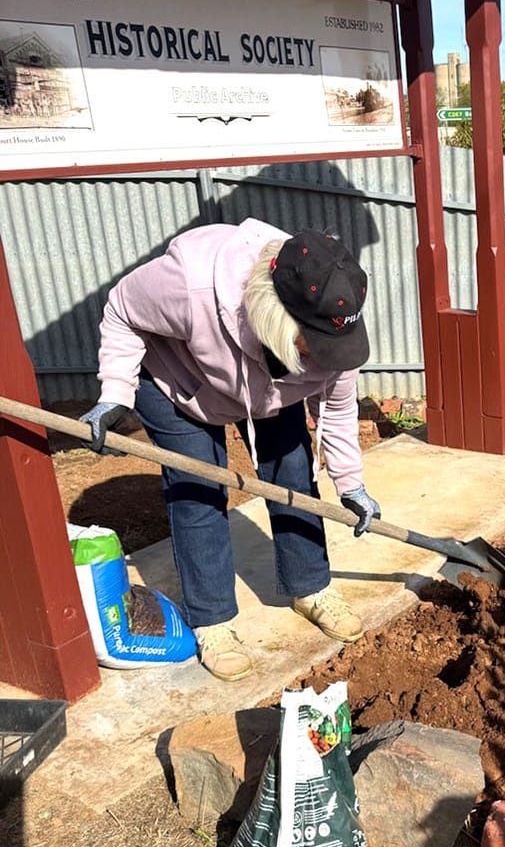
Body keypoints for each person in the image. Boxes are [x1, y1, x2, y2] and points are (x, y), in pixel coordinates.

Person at [80, 219, 381, 682]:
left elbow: (336, 412)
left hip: (271, 384)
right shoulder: (192, 287)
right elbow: (121, 308)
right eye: (314, 344)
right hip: (177, 381)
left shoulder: (332, 333)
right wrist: (115, 392)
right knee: (198, 489)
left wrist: (352, 484)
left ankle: (310, 587)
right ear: (277, 317)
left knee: (294, 473)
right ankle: (213, 620)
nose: (327, 355)